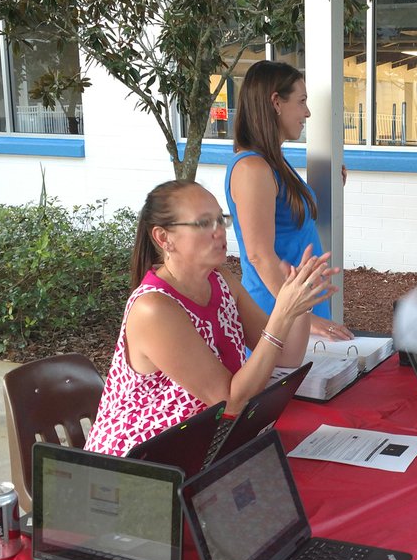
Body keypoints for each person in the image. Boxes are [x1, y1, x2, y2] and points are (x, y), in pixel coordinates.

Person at [85, 181, 334, 457]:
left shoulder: (221, 279)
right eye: (203, 223)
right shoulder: (153, 308)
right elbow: (230, 402)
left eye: (220, 220)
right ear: (163, 238)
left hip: (204, 448)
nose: (218, 232)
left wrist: (301, 301)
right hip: (138, 467)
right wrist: (283, 312)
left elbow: (286, 356)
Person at [225, 59, 354, 341]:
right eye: (302, 101)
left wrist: (325, 190)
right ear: (276, 103)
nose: (307, 113)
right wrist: (302, 318)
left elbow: (286, 220)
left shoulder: (273, 163)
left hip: (300, 307)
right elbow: (259, 255)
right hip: (279, 312)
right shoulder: (252, 169)